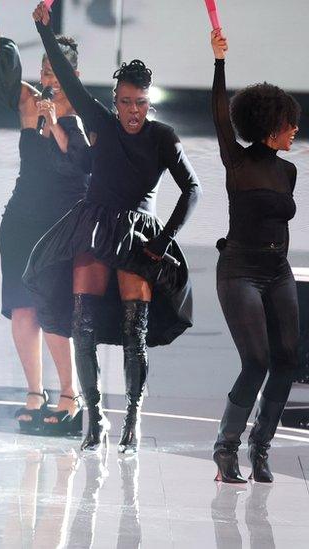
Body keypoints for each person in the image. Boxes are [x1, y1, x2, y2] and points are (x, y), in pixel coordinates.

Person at [24, 2, 202, 453]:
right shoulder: (100, 120)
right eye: (125, 102)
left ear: (149, 100)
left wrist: (162, 242)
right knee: (82, 324)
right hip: (95, 225)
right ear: (116, 100)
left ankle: (133, 419)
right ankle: (95, 419)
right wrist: (45, 31)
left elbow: (192, 190)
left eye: (141, 103)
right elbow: (67, 79)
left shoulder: (164, 137)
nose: (133, 112)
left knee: (133, 333)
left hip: (140, 236)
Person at [0, 8, 90, 434]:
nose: (48, 76)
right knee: (22, 307)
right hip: (21, 218)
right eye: (44, 67)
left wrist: (55, 122)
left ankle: (70, 394)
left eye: (57, 69)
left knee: (53, 308)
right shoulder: (26, 99)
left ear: (73, 72)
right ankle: (34, 392)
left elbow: (82, 163)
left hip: (62, 223)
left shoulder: (85, 109)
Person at [208, 29, 300, 484]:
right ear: (269, 126)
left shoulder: (289, 170)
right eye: (289, 123)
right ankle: (226, 449)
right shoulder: (237, 162)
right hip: (239, 270)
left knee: (287, 357)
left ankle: (260, 448)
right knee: (256, 361)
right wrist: (219, 62)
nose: (295, 130)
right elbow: (220, 115)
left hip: (277, 271)